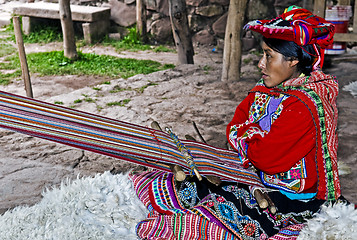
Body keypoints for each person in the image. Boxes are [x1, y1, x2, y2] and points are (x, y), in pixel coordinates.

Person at [129, 6, 345, 239]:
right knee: (171, 186)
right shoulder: (269, 89)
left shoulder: (306, 106)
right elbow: (235, 125)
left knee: (206, 221)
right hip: (253, 175)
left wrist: (246, 138)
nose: (261, 64)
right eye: (263, 54)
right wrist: (253, 139)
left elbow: (266, 157)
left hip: (287, 198)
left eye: (268, 56)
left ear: (292, 61)